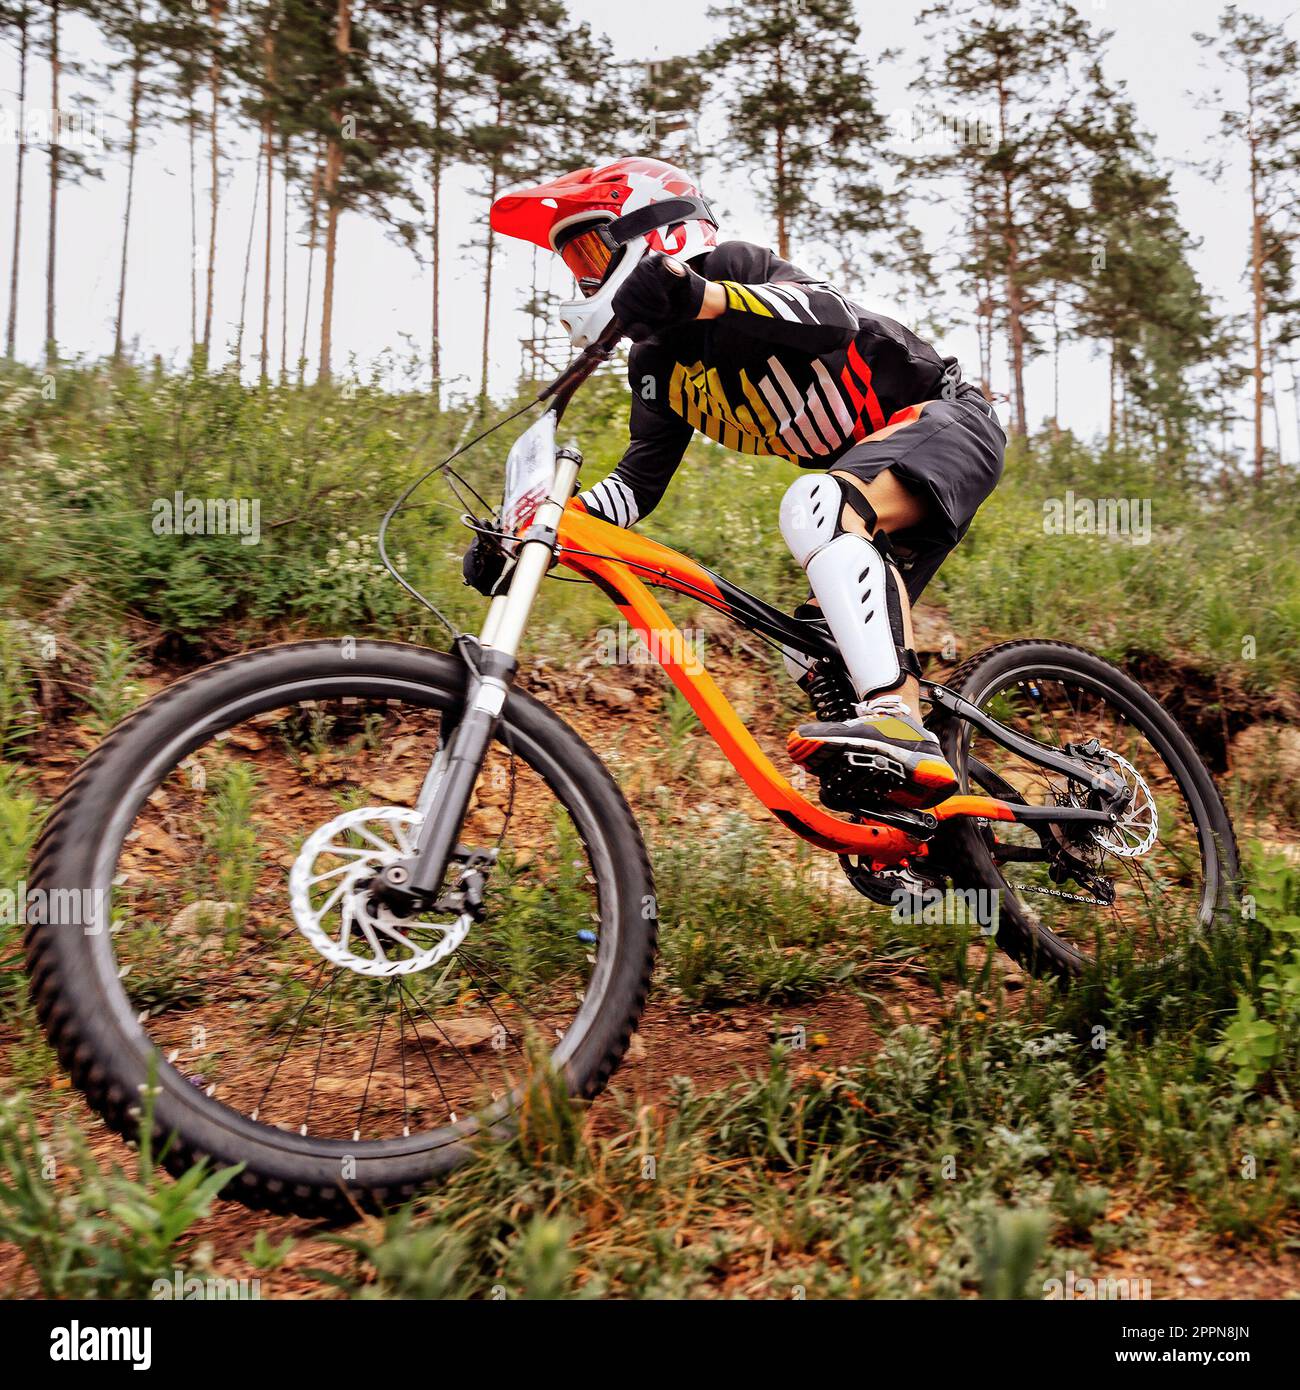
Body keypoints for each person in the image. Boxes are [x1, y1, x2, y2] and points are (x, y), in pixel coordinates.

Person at [489, 157, 1005, 810]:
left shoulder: (734, 270)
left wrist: (701, 297)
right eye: (574, 265)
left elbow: (830, 317)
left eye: (592, 251)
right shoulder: (654, 367)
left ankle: (896, 720)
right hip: (878, 487)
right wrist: (537, 530)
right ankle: (921, 823)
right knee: (816, 650)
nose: (585, 276)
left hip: (949, 420)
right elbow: (639, 483)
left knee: (814, 506)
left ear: (655, 232)